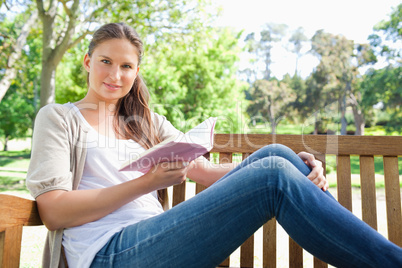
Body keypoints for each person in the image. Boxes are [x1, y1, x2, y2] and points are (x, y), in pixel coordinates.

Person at [26, 22, 402, 268]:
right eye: (106, 61)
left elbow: (205, 171)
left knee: (277, 156)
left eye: (126, 66)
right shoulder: (59, 118)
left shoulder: (146, 121)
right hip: (109, 254)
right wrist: (148, 183)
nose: (115, 74)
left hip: (157, 239)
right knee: (272, 174)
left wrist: (296, 166)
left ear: (136, 71)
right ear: (87, 62)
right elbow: (55, 212)